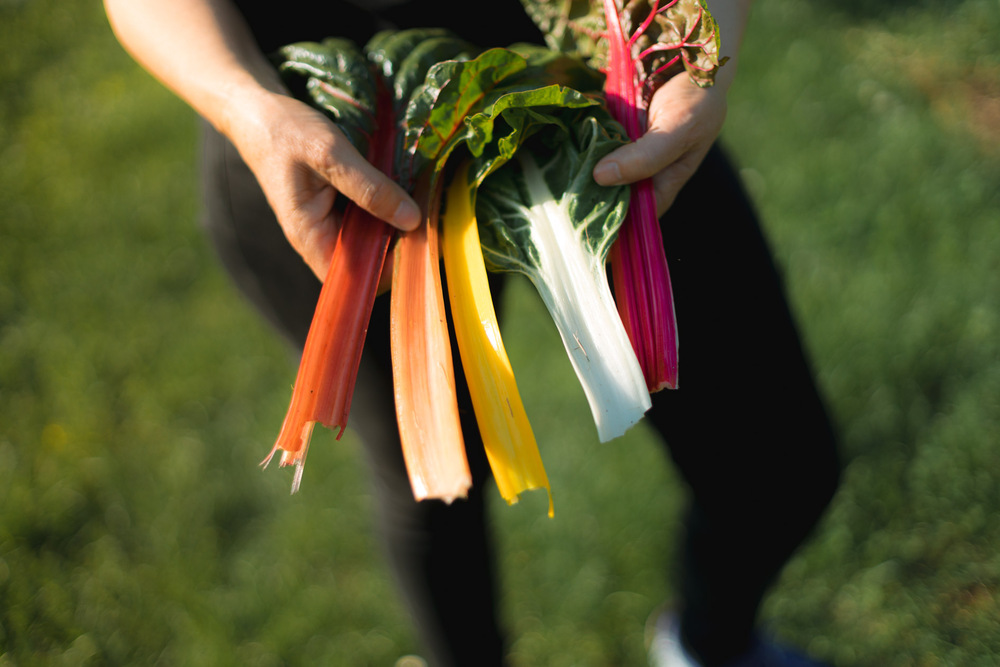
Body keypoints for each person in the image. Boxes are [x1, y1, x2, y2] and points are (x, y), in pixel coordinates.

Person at [103, 1, 842, 665]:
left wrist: (699, 42)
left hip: (605, 93)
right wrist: (244, 104)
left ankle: (711, 644)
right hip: (335, 135)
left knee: (781, 465)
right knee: (434, 487)